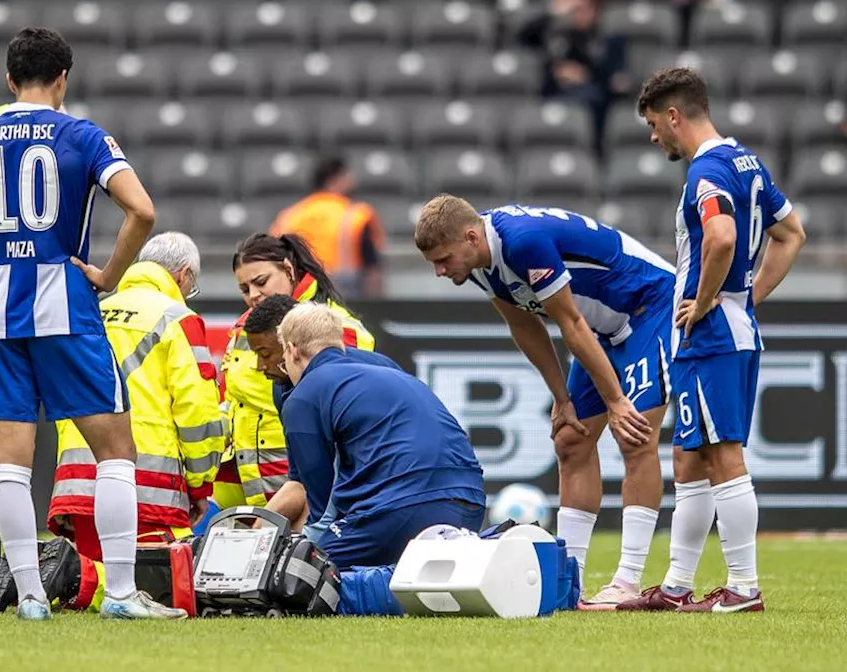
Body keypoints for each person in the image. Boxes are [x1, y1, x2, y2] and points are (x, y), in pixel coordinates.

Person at [0, 28, 183, 621]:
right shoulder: (84, 136)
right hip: (66, 307)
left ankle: (31, 599)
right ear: (64, 78)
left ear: (7, 79)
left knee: (11, 466)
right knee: (116, 453)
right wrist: (110, 274)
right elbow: (142, 211)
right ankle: (121, 595)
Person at [415, 195, 668, 609]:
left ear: (471, 237)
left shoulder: (522, 242)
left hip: (648, 308)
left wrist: (616, 399)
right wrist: (561, 398)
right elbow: (524, 325)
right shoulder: (478, 263)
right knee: (570, 440)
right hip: (600, 330)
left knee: (634, 435)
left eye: (443, 259)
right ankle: (573, 580)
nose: (440, 271)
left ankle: (628, 580)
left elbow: (569, 321)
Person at [618, 67, 805, 613]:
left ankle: (743, 588)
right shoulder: (746, 161)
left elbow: (721, 237)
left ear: (674, 115)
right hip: (733, 325)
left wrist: (704, 303)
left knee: (722, 455)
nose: (655, 137)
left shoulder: (706, 172)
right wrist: (747, 298)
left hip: (711, 334)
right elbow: (792, 233)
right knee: (688, 456)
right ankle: (677, 587)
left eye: (655, 124)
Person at [49, 232, 225, 560]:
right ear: (183, 275)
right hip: (147, 486)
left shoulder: (93, 312)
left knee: (91, 581)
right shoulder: (179, 319)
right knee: (158, 583)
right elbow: (197, 414)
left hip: (79, 476)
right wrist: (201, 485)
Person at [277, 304, 486, 568]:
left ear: (293, 350)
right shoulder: (387, 368)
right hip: (471, 504)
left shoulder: (304, 395)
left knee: (298, 571)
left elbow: (319, 507)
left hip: (402, 511)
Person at [216, 233, 375, 512]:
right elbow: (231, 398)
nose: (253, 295)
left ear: (289, 269)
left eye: (261, 282)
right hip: (245, 484)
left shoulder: (334, 325)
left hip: (299, 482)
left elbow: (338, 401)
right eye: (244, 288)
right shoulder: (245, 328)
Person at [240, 294, 401, 544]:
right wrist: (253, 538)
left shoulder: (305, 395)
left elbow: (320, 504)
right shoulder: (284, 387)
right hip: (369, 498)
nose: (260, 366)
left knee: (308, 558)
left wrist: (312, 543)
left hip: (385, 497)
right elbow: (300, 483)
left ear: (289, 346)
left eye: (265, 353)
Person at [517, 0, 630, 149]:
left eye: (586, 9)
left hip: (593, 102)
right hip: (556, 96)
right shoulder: (558, 36)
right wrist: (553, 13)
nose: (581, 15)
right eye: (577, 10)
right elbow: (523, 37)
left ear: (596, 12)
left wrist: (585, 76)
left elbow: (614, 81)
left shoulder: (610, 41)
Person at [270, 156, 384, 299]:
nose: (352, 181)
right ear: (334, 180)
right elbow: (372, 269)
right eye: (347, 176)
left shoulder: (288, 216)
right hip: (345, 297)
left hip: (297, 298)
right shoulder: (356, 215)